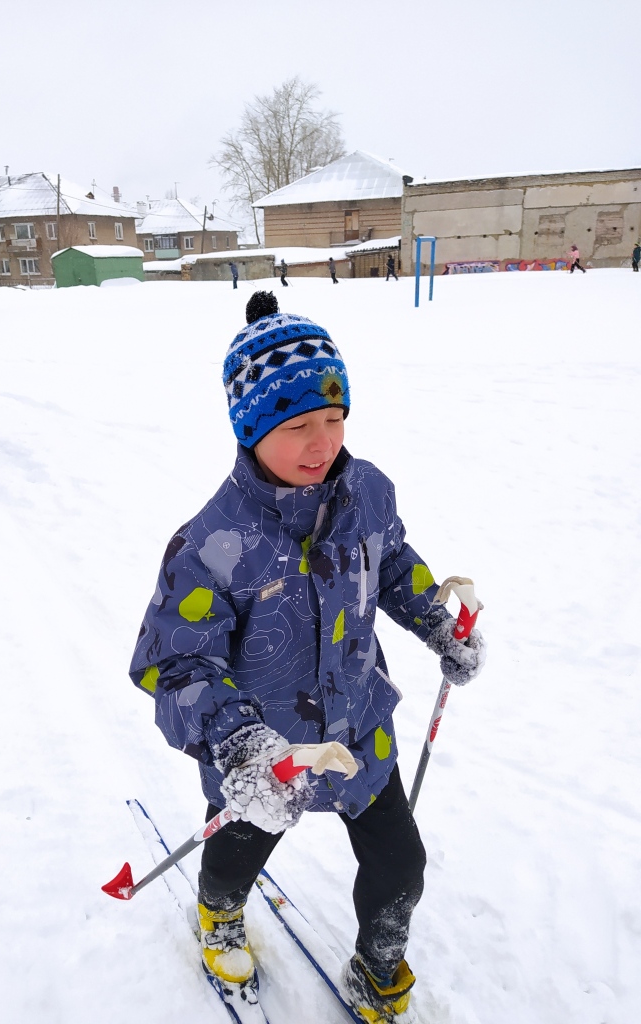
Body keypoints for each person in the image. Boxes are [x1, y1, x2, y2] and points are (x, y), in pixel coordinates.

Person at [129, 290, 486, 1023]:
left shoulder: (366, 494)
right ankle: (219, 913)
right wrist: (242, 745)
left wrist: (437, 623)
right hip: (269, 754)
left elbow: (392, 565)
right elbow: (175, 666)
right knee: (236, 859)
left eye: (334, 417)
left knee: (400, 870)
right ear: (249, 427)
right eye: (297, 425)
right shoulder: (211, 545)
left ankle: (378, 967)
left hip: (360, 731)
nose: (322, 442)